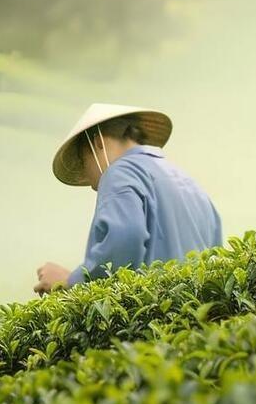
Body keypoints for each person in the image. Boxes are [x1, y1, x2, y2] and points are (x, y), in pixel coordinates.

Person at [34, 103, 222, 296]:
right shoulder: (188, 182)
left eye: (83, 162)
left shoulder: (119, 173)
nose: (91, 183)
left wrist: (70, 281)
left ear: (98, 143)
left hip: (154, 318)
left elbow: (124, 237)